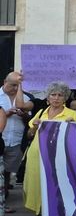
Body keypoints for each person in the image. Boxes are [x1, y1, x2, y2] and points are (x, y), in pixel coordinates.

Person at [24, 81, 76, 216]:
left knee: (61, 188)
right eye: (53, 95)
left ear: (65, 98)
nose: (56, 98)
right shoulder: (41, 112)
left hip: (61, 158)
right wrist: (34, 127)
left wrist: (72, 127)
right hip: (37, 156)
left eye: (60, 95)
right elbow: (30, 135)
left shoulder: (71, 114)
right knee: (39, 188)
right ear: (47, 97)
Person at [1, 72, 33, 204]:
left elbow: (30, 120)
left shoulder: (25, 98)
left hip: (16, 140)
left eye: (18, 86)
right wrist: (5, 114)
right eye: (13, 85)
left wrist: (23, 115)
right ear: (4, 82)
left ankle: (4, 198)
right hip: (1, 137)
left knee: (7, 171)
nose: (15, 88)